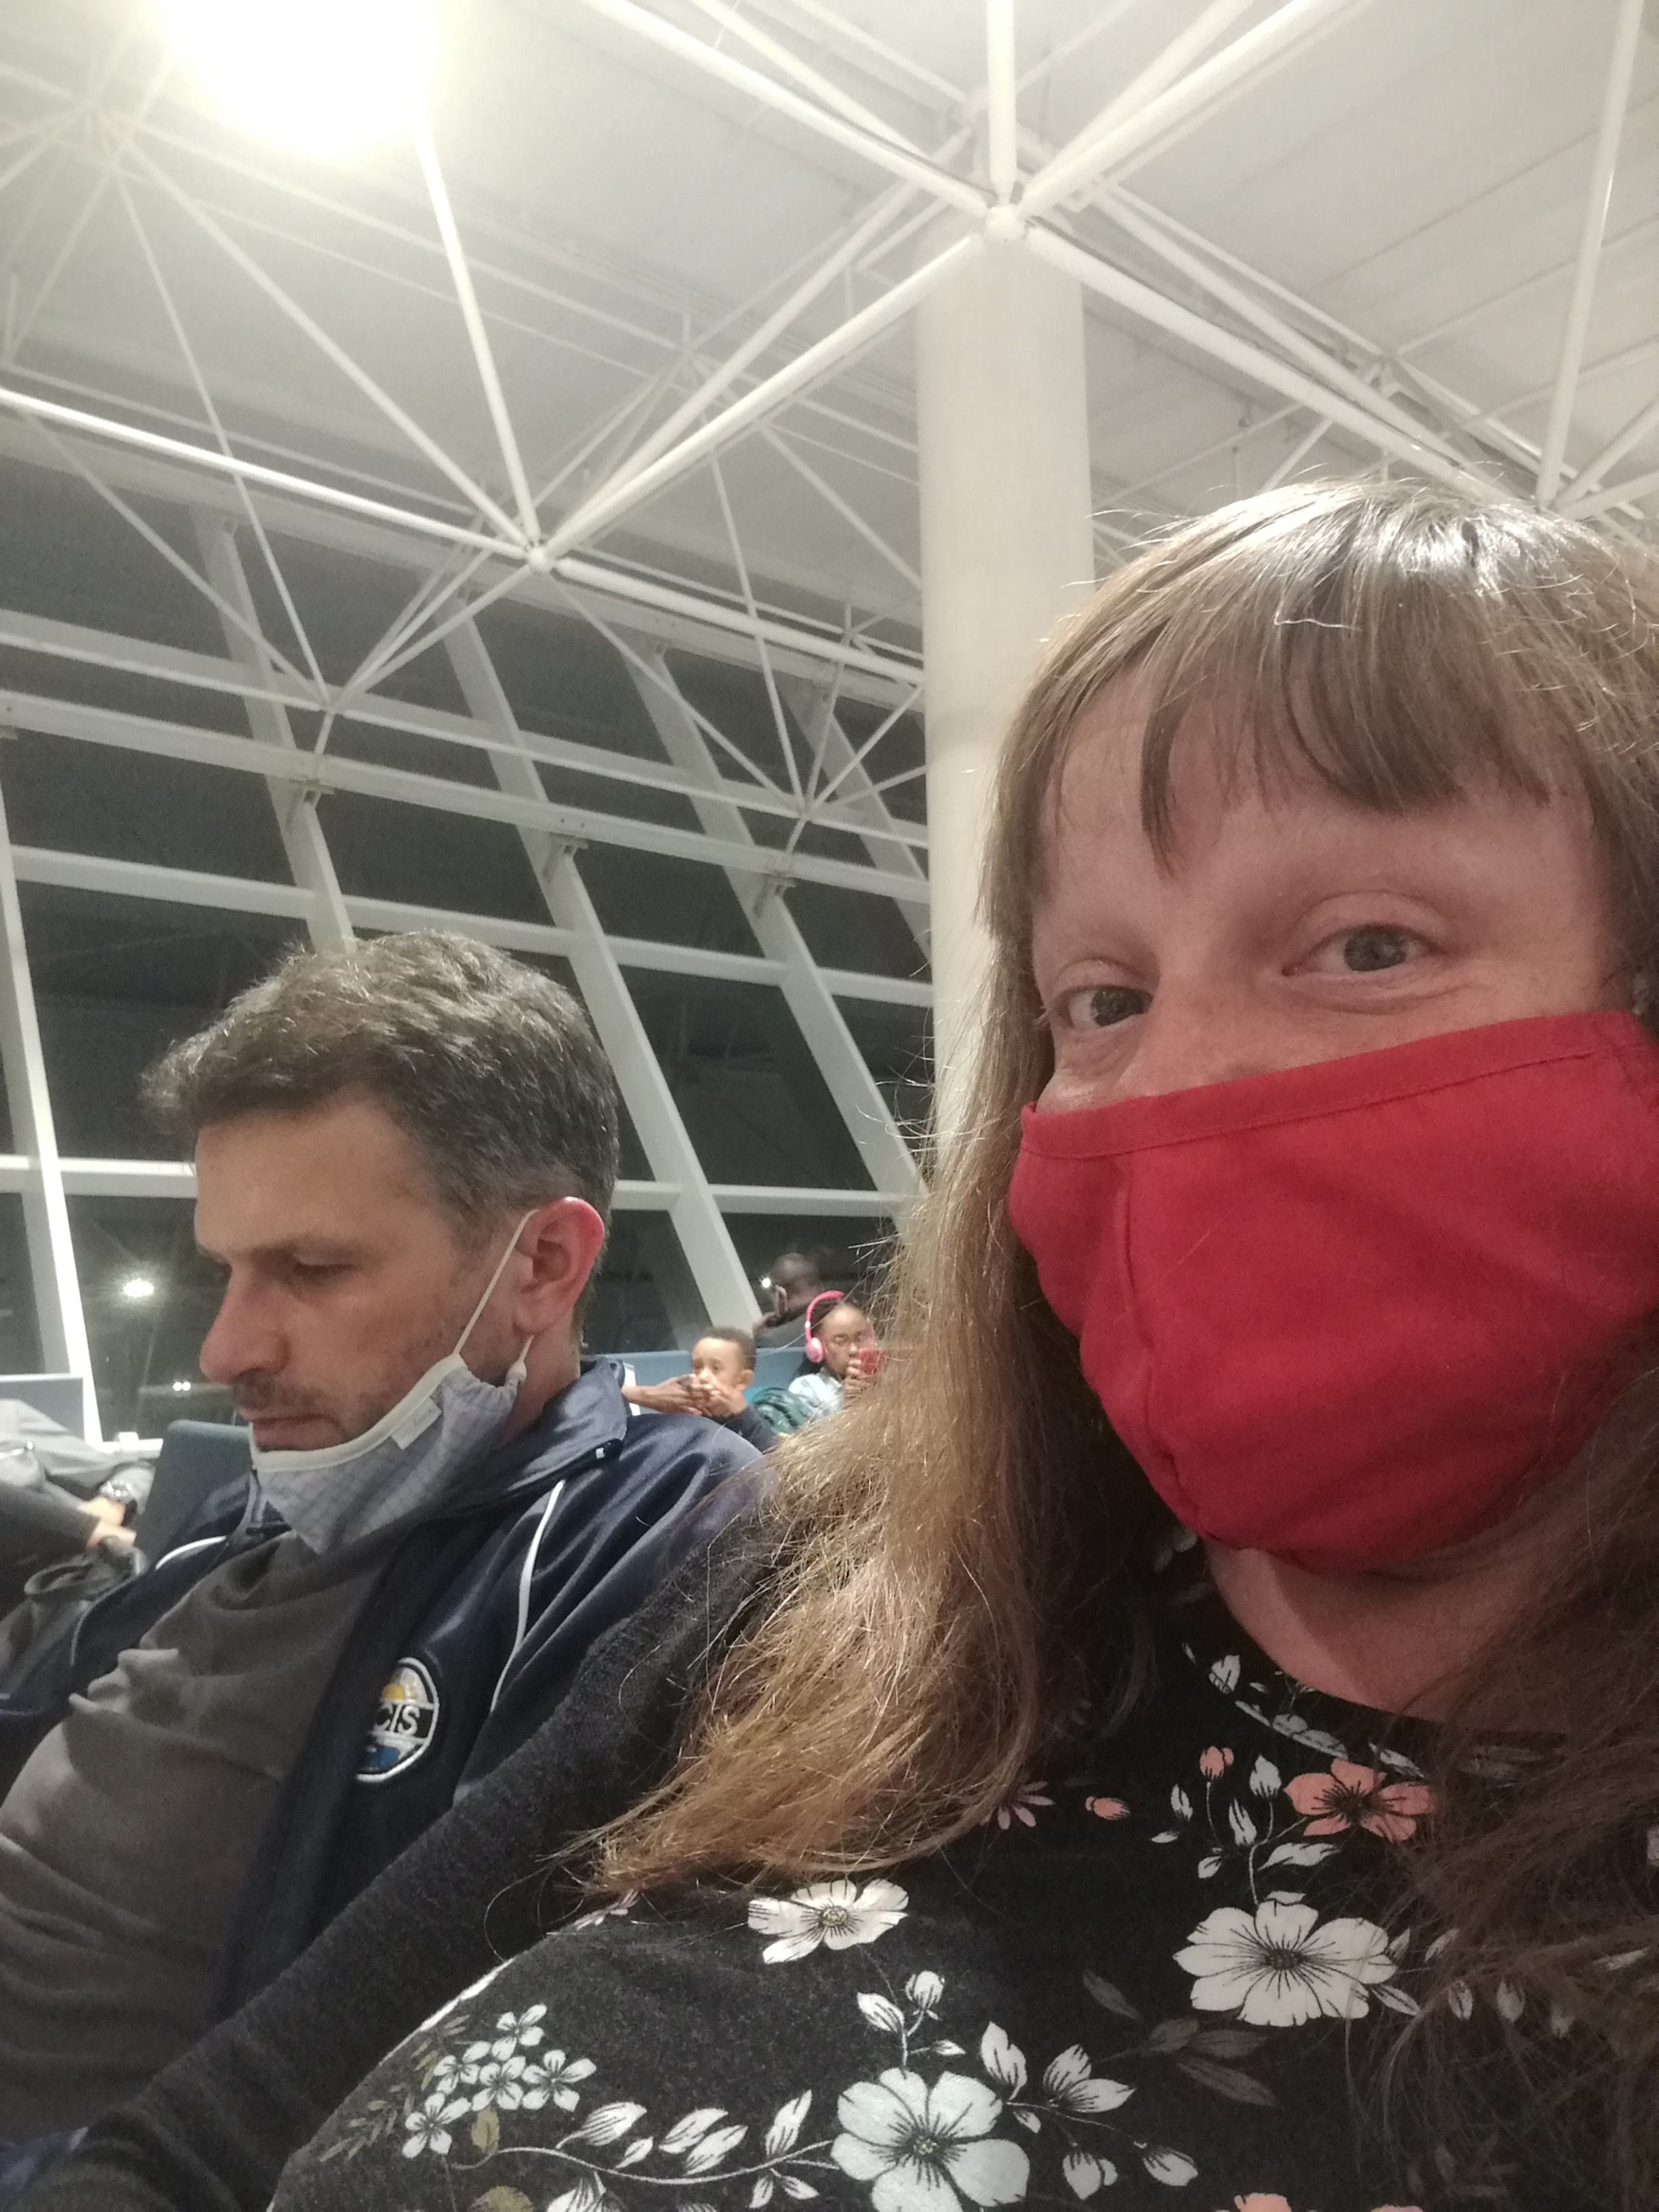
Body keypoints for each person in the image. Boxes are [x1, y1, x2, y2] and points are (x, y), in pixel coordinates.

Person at [24, 480, 1659, 2212]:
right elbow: (212, 2132)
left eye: (1367, 946)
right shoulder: (839, 1592)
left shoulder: (623, 1526)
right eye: (1100, 999)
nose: (1167, 1084)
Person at [0, 932, 759, 2156]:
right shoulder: (255, 1508)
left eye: (309, 1268)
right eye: (225, 1272)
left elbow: (439, 2058)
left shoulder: (653, 1536)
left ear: (542, 1265)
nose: (225, 1350)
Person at [621, 1330, 777, 1453]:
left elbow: (774, 1457)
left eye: (715, 1369)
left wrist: (744, 1414)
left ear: (742, 1381)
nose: (702, 1376)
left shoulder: (753, 1425)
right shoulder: (683, 1416)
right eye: (697, 1367)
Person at [781, 1292, 876, 1423]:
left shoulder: (889, 1378)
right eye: (840, 1342)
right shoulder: (807, 1390)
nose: (854, 1350)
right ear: (817, 1347)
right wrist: (846, 1407)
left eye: (860, 1339)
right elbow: (809, 1436)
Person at [753, 1250, 827, 1353]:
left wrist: (758, 1340)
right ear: (821, 1287)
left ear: (781, 1294)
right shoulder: (846, 1315)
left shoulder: (771, 1341)